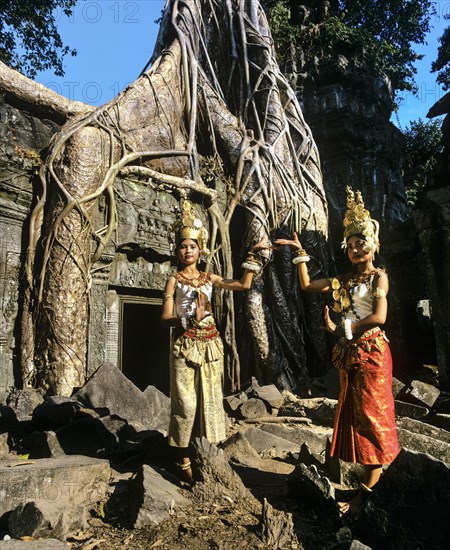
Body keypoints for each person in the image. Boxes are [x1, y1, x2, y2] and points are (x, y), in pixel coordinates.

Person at [275, 186, 400, 514]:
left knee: (374, 419)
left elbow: (379, 317)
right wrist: (300, 254)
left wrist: (342, 329)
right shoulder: (343, 281)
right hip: (350, 356)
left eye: (362, 243)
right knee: (356, 420)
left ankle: (364, 497)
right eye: (352, 245)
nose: (357, 249)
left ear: (373, 244)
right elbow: (307, 286)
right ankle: (366, 490)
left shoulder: (379, 278)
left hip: (371, 354)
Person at [161, 200, 268, 483]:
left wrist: (253, 257)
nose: (187, 251)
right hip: (184, 345)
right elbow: (165, 317)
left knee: (209, 399)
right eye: (183, 246)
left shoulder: (210, 278)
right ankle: (182, 457)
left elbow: (242, 285)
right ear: (178, 249)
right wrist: (188, 320)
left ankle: (205, 452)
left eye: (192, 246)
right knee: (185, 401)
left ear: (200, 249)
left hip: (210, 345)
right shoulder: (174, 280)